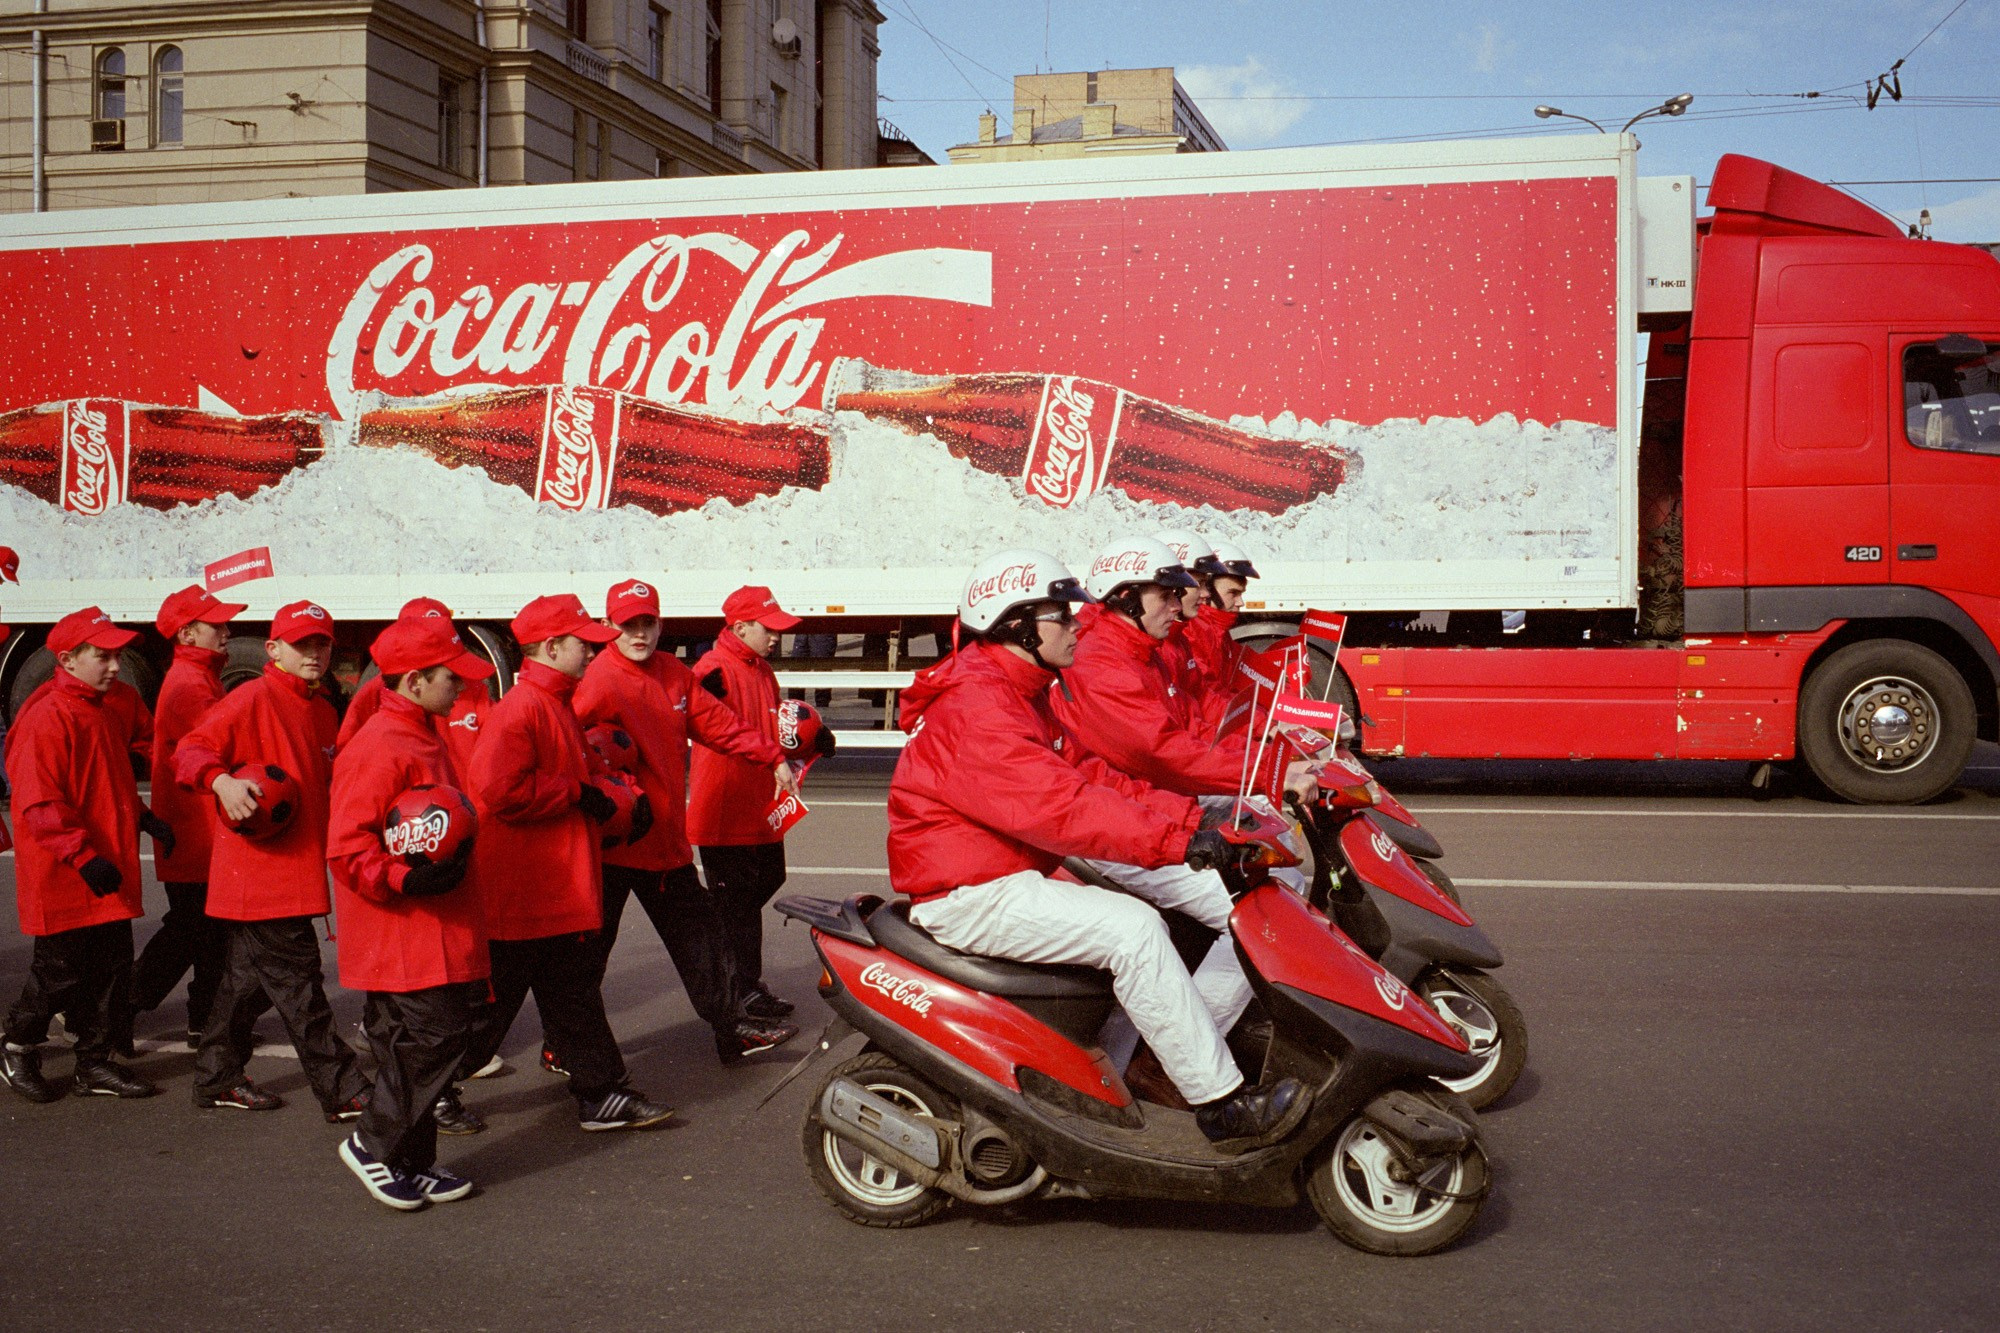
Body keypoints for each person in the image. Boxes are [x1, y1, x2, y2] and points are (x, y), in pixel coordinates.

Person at [887, 549, 1308, 1151]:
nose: (1079, 623)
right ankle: (1220, 1105)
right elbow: (1065, 807)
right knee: (1133, 929)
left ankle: (1103, 1087)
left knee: (1140, 927)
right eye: (1061, 615)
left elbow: (1096, 779)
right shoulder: (980, 707)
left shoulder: (1020, 689)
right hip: (970, 891)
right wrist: (1181, 842)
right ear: (1018, 625)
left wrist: (1196, 820)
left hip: (1004, 872)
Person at [455, 593, 674, 1132]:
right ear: (552, 647)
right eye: (584, 643)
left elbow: (568, 777)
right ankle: (426, 1088)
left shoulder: (553, 702)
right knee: (492, 1011)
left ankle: (600, 1093)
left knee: (573, 997)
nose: (592, 652)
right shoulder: (525, 708)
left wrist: (611, 795)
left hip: (552, 888)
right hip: (525, 890)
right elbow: (499, 790)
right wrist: (578, 794)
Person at [572, 578, 799, 1067]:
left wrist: (772, 756)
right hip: (613, 846)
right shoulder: (600, 680)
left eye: (647, 623)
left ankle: (731, 1032)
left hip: (664, 847)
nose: (638, 634)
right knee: (588, 957)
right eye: (627, 624)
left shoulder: (675, 673)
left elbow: (719, 724)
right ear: (609, 625)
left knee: (703, 944)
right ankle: (563, 1043)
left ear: (660, 624)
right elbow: (566, 747)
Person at [177, 600, 371, 1119]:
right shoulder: (252, 698)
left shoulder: (323, 707)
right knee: (300, 986)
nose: (314, 652)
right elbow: (191, 749)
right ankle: (344, 1089)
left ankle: (216, 1076)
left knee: (246, 983)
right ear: (273, 649)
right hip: (263, 877)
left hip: (295, 871)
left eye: (322, 643)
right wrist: (221, 781)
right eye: (302, 643)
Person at [327, 617, 494, 1210]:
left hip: (431, 926)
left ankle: (410, 1160)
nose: (463, 687)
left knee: (412, 1046)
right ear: (417, 680)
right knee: (439, 1037)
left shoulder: (425, 733)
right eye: (453, 678)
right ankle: (373, 1144)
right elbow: (347, 846)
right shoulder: (380, 744)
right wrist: (403, 877)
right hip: (402, 932)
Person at [1, 608, 161, 1103]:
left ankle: (94, 1062)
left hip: (102, 867)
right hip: (67, 871)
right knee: (60, 973)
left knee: (112, 968)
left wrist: (142, 815)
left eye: (116, 655)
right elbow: (39, 802)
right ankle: (17, 1047)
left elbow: (107, 781)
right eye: (103, 655)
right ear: (68, 659)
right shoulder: (46, 715)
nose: (115, 665)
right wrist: (82, 855)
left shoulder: (102, 706)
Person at [689, 585, 818, 1022]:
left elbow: (777, 724)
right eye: (770, 628)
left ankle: (736, 972)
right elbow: (698, 718)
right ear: (740, 627)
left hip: (759, 803)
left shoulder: (761, 668)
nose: (777, 637)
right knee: (737, 904)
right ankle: (741, 989)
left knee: (764, 883)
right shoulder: (713, 669)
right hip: (723, 810)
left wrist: (813, 738)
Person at [130, 585, 247, 1048]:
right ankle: (122, 1005)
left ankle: (200, 1016)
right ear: (187, 632)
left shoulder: (199, 677)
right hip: (194, 830)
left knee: (202, 930)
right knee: (194, 929)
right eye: (216, 623)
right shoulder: (190, 684)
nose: (226, 630)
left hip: (196, 829)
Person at [336, 597, 488, 774]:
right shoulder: (376, 698)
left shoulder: (471, 688)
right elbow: (352, 757)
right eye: (420, 632)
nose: (459, 687)